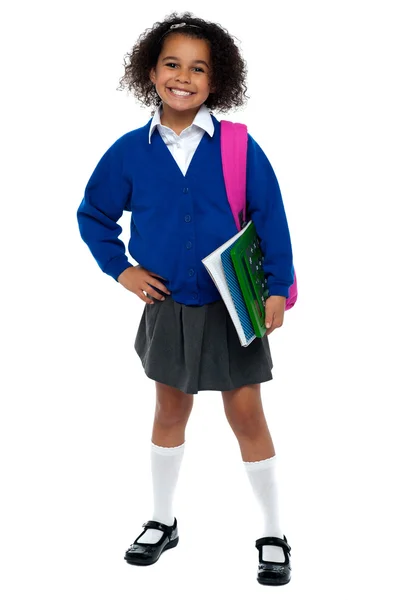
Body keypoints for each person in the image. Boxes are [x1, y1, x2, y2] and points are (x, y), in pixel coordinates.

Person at [77, 11, 294, 586]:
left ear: (216, 81)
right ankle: (161, 520)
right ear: (150, 71)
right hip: (168, 304)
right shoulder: (130, 151)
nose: (183, 77)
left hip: (233, 305)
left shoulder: (239, 147)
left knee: (246, 412)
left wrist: (278, 289)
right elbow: (93, 215)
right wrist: (121, 270)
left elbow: (272, 219)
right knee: (170, 411)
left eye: (198, 68)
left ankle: (273, 532)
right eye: (171, 64)